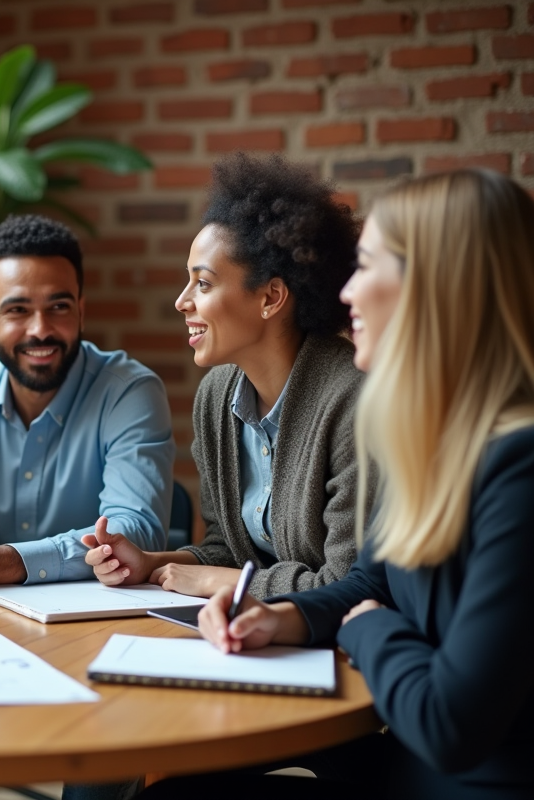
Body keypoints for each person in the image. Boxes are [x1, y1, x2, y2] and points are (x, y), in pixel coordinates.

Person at [163, 169, 534, 800]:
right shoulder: (438, 443)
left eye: (368, 268)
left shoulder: (518, 468)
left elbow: (450, 724)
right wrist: (276, 619)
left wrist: (368, 628)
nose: (348, 293)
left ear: (438, 288)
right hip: (405, 766)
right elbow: (371, 580)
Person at [85, 154, 368, 599]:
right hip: (251, 637)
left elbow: (350, 583)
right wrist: (151, 563)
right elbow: (227, 550)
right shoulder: (217, 396)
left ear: (271, 296)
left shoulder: (353, 400)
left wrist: (235, 585)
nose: (182, 302)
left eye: (203, 283)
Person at [0, 214, 175, 591]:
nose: (40, 329)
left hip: (104, 613)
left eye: (59, 307)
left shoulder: (129, 391)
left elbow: (135, 531)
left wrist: (5, 563)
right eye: (17, 310)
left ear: (81, 311)